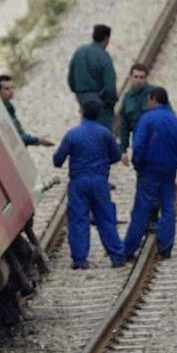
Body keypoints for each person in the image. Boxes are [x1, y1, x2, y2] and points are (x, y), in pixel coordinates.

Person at [53, 98, 125, 269]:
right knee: (106, 218)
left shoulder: (72, 135)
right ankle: (116, 256)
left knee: (79, 220)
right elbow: (116, 155)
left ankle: (80, 260)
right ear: (98, 114)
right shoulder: (105, 133)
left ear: (82, 113)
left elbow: (58, 160)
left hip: (79, 182)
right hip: (100, 181)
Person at [123, 87, 177, 261]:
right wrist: (174, 164)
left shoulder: (147, 119)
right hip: (168, 170)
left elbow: (139, 145)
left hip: (149, 170)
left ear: (153, 99)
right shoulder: (176, 120)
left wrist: (138, 164)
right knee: (168, 207)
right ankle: (166, 247)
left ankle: (129, 249)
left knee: (142, 208)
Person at [68, 24, 118, 131]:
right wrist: (111, 102)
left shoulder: (79, 52)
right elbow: (110, 85)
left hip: (82, 98)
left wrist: (79, 94)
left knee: (86, 131)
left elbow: (70, 79)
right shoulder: (104, 56)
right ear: (106, 38)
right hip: (101, 102)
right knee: (103, 133)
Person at [0, 74, 54, 147]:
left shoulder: (8, 105)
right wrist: (39, 140)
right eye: (6, 89)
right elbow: (17, 136)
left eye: (12, 88)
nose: (11, 91)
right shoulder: (2, 110)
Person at [118, 63, 155, 161]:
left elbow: (168, 116)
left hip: (154, 140)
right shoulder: (127, 98)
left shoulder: (155, 94)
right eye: (136, 77)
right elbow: (124, 126)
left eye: (141, 77)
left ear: (146, 78)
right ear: (130, 77)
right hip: (138, 142)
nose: (138, 80)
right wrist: (123, 150)